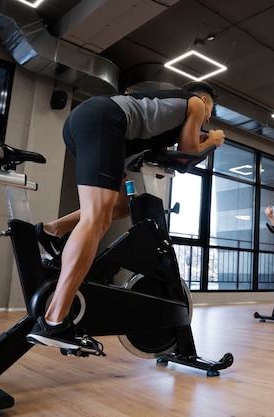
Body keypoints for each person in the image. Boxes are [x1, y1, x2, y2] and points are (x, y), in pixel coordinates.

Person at [26, 81, 226, 350]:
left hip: (89, 123)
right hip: (104, 121)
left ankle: (51, 230)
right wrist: (213, 139)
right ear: (204, 98)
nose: (207, 117)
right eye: (210, 110)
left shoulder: (168, 112)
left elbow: (178, 155)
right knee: (96, 219)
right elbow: (186, 158)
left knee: (118, 206)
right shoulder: (195, 103)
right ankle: (54, 321)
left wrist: (199, 143)